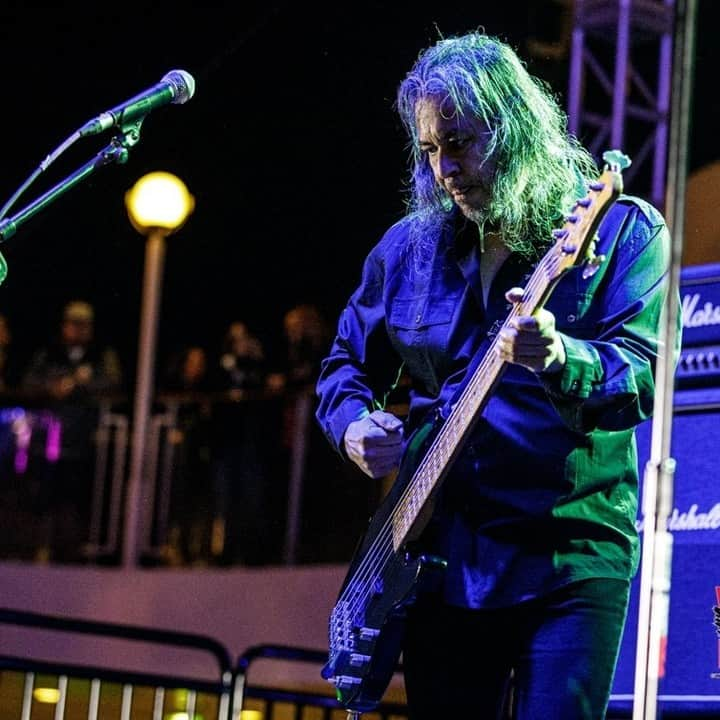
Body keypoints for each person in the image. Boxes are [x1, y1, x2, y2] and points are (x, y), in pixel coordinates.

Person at [315, 32, 679, 720]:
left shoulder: (622, 232)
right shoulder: (409, 249)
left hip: (568, 559)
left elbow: (644, 376)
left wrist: (562, 358)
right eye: (429, 150)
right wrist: (353, 425)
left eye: (461, 142)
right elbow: (344, 364)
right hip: (443, 565)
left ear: (515, 126)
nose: (445, 168)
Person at [21, 299, 123, 562]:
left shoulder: (101, 355)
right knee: (44, 497)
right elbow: (30, 383)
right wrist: (53, 386)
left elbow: (113, 381)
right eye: (74, 325)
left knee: (77, 500)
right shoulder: (49, 353)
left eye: (84, 325)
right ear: (65, 326)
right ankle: (41, 547)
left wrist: (79, 385)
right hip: (47, 441)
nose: (79, 330)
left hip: (83, 442)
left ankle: (73, 551)